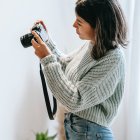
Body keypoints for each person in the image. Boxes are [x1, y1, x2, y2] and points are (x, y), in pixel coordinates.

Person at [31, 0, 128, 139]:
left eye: (79, 22)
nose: (74, 25)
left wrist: (47, 58)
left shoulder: (113, 58)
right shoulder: (93, 45)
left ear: (98, 26)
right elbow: (65, 66)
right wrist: (46, 41)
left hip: (91, 134)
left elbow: (75, 100)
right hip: (84, 131)